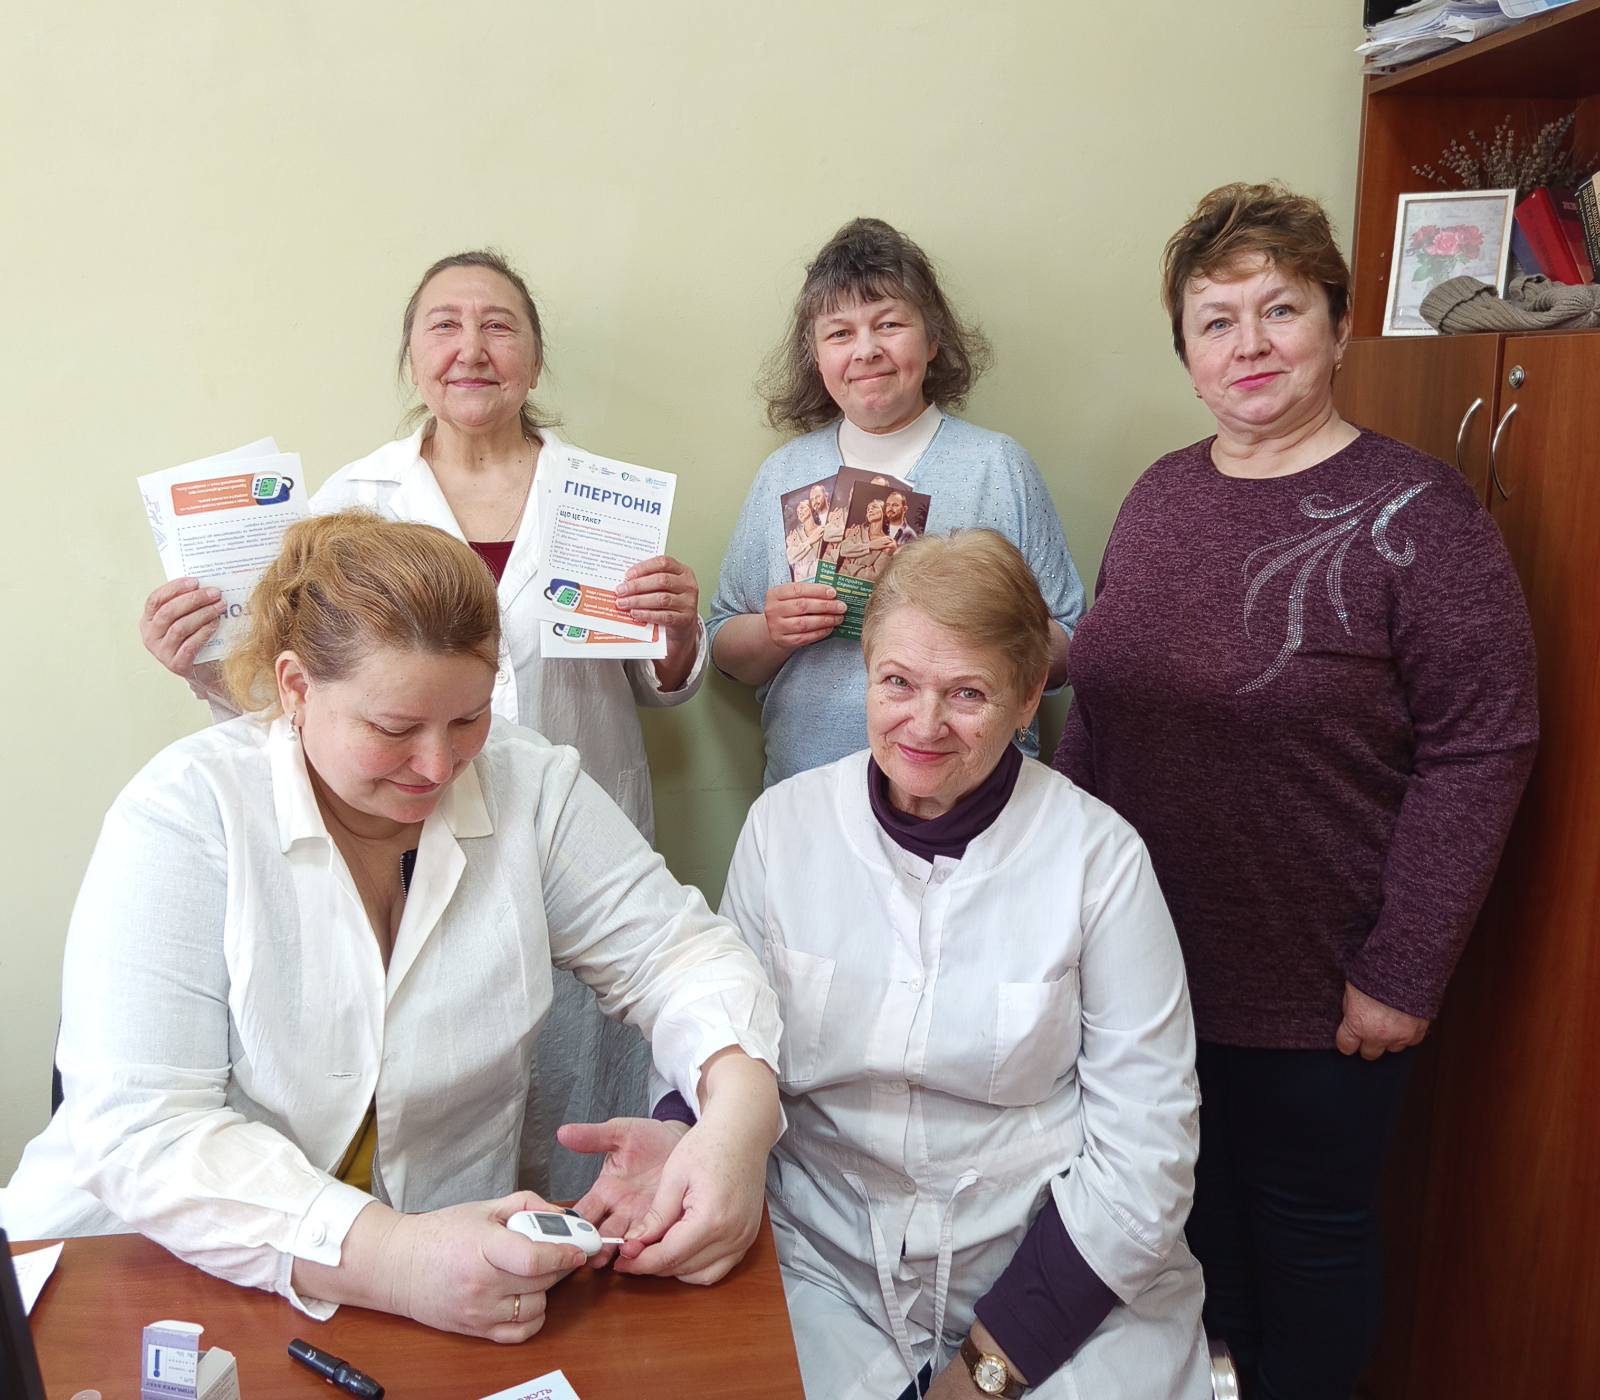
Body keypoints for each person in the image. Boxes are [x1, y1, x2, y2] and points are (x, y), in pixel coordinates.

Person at [1, 513, 781, 1340]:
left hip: (427, 1299)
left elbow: (678, 955)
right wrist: (393, 1257)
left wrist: (735, 1118)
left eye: (468, 719)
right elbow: (144, 1128)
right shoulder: (186, 813)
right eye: (394, 729)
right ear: (296, 687)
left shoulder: (527, 786)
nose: (439, 767)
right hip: (138, 1274)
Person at [1053, 182, 1538, 1400]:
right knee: (1178, 1234)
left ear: (1336, 324)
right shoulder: (1160, 493)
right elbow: (1098, 704)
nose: (1250, 343)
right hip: (1142, 970)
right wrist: (1050, 904)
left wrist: (1403, 965)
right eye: (1216, 321)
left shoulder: (1422, 515)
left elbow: (1482, 745)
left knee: (1305, 1242)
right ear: (1186, 352)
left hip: (1321, 991)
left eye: (1280, 309)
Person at [135, 250, 705, 1196]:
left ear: (534, 357)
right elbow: (309, 706)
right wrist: (201, 663)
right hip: (402, 846)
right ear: (412, 356)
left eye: (498, 325)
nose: (471, 348)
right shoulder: (354, 503)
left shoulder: (607, 498)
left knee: (580, 1104)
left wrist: (675, 635)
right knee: (435, 1098)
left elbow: (658, 686)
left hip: (566, 832)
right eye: (445, 325)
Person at [725, 531, 1207, 1398]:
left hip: (1057, 1276)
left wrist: (989, 1367)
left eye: (968, 694)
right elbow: (724, 1045)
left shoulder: (1100, 858)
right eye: (897, 682)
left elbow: (1146, 1154)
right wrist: (681, 1130)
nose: (924, 724)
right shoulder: (783, 830)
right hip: (825, 1272)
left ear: (1027, 699)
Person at [708, 217, 1085, 788]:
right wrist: (772, 631)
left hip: (977, 793)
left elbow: (1071, 645)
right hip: (812, 784)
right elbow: (722, 646)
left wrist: (988, 624)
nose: (867, 350)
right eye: (840, 333)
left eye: (889, 324)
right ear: (815, 355)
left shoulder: (998, 466)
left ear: (932, 340)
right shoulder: (783, 473)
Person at [836, 494, 898, 581]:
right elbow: (843, 550)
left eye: (874, 507)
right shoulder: (858, 530)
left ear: (884, 512)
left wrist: (849, 566)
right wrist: (870, 545)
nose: (870, 510)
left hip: (859, 586)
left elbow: (874, 576)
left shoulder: (887, 542)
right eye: (868, 509)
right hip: (840, 580)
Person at [785, 492, 827, 583]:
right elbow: (790, 558)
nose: (799, 512)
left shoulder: (822, 530)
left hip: (820, 582)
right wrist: (809, 541)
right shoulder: (794, 535)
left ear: (811, 508)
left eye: (802, 508)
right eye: (797, 512)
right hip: (801, 585)